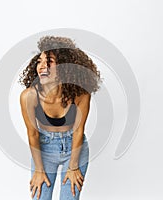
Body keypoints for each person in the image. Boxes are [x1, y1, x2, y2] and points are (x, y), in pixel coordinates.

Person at [19, 36, 101, 200]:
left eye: (49, 61)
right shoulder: (29, 96)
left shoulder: (81, 94)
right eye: (39, 61)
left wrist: (73, 166)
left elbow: (78, 132)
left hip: (75, 148)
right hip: (44, 149)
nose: (42, 66)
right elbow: (33, 134)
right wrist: (39, 170)